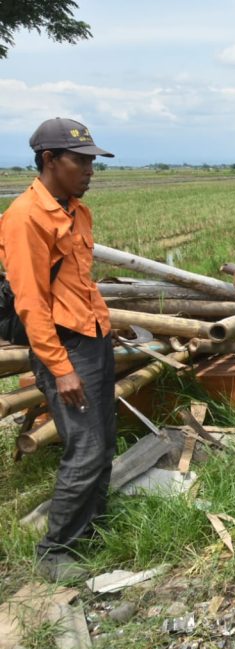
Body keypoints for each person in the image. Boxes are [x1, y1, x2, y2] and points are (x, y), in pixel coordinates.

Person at [0, 118, 116, 583]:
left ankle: (92, 533)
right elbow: (30, 302)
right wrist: (60, 367)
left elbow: (78, 284)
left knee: (103, 444)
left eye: (92, 161)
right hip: (64, 349)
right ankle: (55, 551)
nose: (89, 170)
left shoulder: (74, 210)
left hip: (93, 339)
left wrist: (106, 326)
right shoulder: (25, 216)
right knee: (85, 449)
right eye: (80, 161)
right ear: (50, 160)